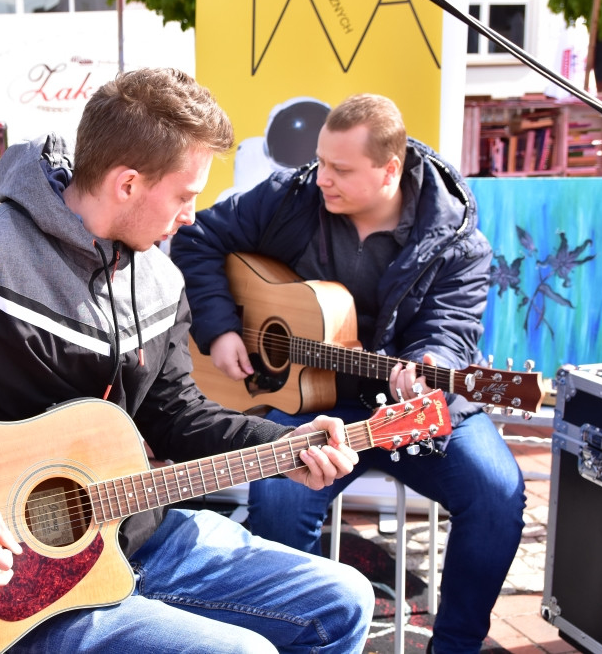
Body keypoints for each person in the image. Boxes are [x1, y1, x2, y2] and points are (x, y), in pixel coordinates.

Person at [0, 68, 374, 652]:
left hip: (138, 536)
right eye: (185, 195)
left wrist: (276, 446)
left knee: (344, 599)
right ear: (128, 183)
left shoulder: (160, 279)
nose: (191, 216)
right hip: (8, 581)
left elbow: (173, 415)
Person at [170, 93, 527, 654]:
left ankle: (455, 645)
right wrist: (220, 328)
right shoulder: (293, 196)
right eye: (320, 161)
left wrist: (433, 363)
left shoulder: (458, 242)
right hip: (316, 403)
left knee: (498, 491)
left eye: (340, 169)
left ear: (390, 169)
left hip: (416, 408)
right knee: (279, 501)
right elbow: (197, 237)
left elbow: (452, 326)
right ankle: (293, 640)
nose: (322, 179)